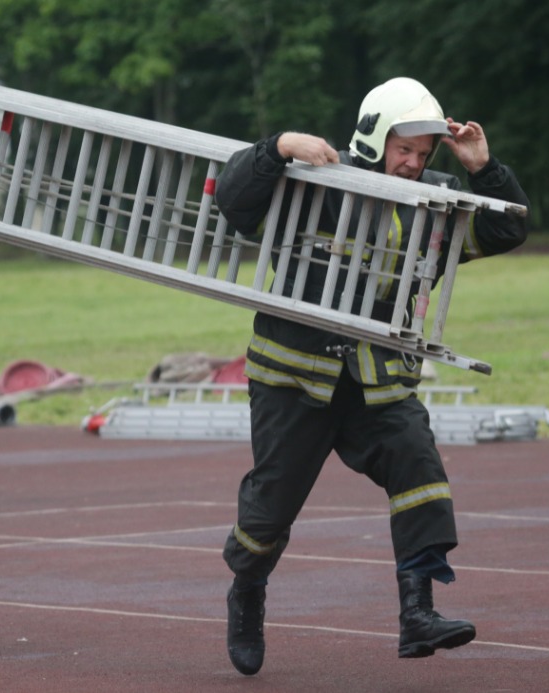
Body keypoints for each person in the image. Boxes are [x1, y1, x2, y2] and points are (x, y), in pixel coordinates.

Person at [214, 77, 530, 675]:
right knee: (267, 514)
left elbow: (506, 229)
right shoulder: (314, 182)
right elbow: (233, 199)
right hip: (294, 379)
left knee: (420, 469)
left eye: (422, 153)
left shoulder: (434, 202)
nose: (412, 164)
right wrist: (278, 146)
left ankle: (418, 614)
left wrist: (483, 169)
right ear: (374, 137)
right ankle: (247, 587)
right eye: (402, 148)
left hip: (377, 382)